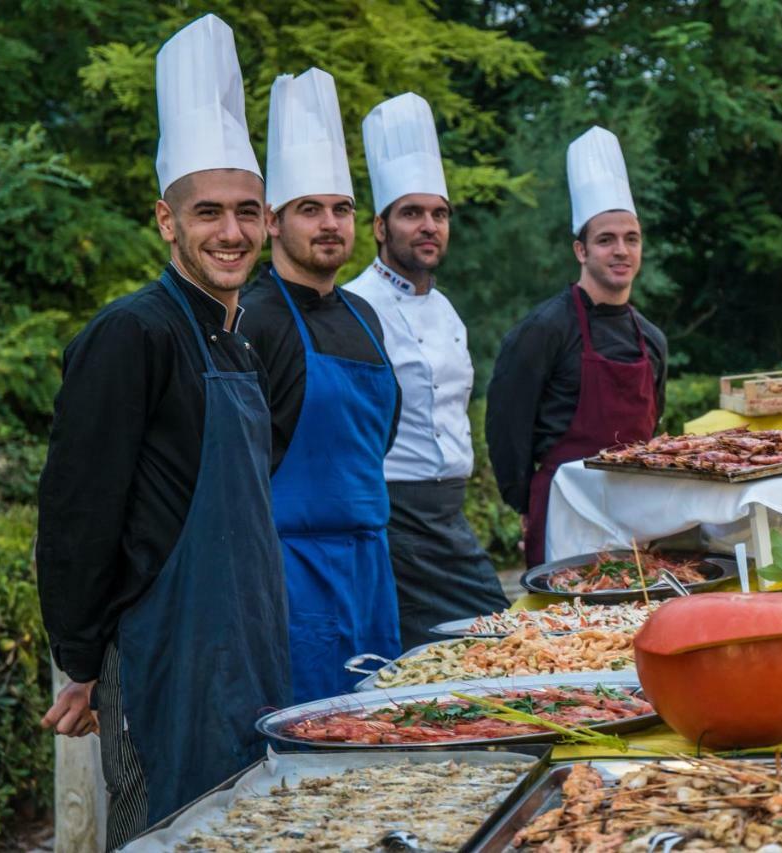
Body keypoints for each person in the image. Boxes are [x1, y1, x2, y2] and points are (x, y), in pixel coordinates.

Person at [34, 15, 290, 848]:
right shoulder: (130, 334)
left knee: (248, 827)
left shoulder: (241, 333)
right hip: (161, 660)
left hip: (248, 643)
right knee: (168, 835)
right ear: (166, 220)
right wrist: (80, 662)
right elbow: (77, 510)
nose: (231, 231)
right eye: (207, 211)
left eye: (247, 211)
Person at [239, 68, 402, 703]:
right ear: (274, 222)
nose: (330, 223)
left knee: (382, 727)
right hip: (290, 569)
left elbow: (379, 436)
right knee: (309, 735)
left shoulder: (364, 316)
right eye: (311, 210)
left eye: (342, 209)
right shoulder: (254, 318)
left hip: (372, 564)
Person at [345, 93, 508, 650]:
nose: (428, 226)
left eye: (439, 214)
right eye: (411, 213)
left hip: (448, 512)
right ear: (379, 226)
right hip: (395, 517)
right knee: (489, 642)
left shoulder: (447, 310)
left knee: (478, 649)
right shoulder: (353, 306)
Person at [486, 127, 668, 566]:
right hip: (563, 513)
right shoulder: (543, 331)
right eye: (606, 240)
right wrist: (524, 506)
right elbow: (506, 429)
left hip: (636, 515)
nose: (621, 250)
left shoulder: (653, 340)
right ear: (580, 250)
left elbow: (652, 426)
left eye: (631, 238)